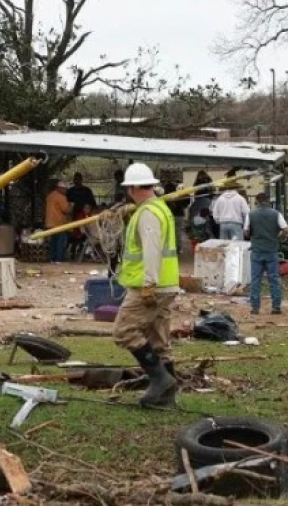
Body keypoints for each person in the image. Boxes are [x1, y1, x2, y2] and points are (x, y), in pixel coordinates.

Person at [114, 163, 179, 407]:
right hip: (167, 283)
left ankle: (160, 379)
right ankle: (166, 398)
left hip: (150, 285)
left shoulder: (148, 214)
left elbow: (152, 251)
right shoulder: (158, 208)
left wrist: (149, 284)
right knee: (159, 338)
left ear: (131, 188)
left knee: (124, 331)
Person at [244, 193, 288, 315]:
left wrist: (254, 235)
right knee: (274, 278)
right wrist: (277, 237)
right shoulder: (276, 214)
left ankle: (255, 307)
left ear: (257, 201)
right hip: (271, 250)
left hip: (257, 250)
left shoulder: (251, 214)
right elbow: (285, 229)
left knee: (255, 279)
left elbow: (246, 232)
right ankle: (276, 307)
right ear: (268, 201)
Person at [45, 180, 72, 263]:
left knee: (53, 241)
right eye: (65, 189)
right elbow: (66, 210)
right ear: (60, 188)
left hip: (50, 222)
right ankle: (58, 259)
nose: (66, 191)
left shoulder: (50, 196)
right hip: (59, 223)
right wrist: (72, 205)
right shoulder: (61, 197)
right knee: (60, 242)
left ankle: (52, 259)